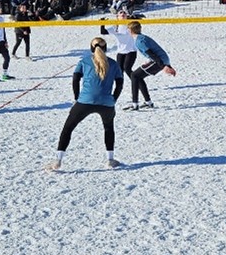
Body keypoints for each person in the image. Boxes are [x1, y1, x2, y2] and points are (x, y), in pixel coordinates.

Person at [48, 37, 126, 171]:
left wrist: (77, 97)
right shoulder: (113, 63)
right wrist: (114, 99)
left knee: (68, 128)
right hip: (106, 102)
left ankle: (58, 160)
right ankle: (110, 159)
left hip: (85, 101)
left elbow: (75, 78)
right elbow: (120, 82)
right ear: (106, 48)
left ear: (91, 48)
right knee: (108, 128)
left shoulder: (84, 61)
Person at [123, 21, 176, 109]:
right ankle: (148, 102)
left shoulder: (140, 41)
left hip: (158, 61)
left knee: (134, 75)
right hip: (160, 60)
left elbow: (152, 54)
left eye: (128, 28)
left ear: (131, 30)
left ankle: (135, 104)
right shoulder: (141, 37)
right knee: (137, 76)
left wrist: (164, 66)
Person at [101, 10, 138, 86]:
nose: (123, 14)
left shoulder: (130, 24)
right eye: (120, 13)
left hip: (131, 51)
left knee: (127, 68)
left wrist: (136, 17)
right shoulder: (116, 26)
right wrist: (102, 23)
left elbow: (138, 26)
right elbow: (103, 32)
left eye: (124, 13)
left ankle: (137, 83)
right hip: (121, 51)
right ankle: (119, 86)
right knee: (119, 71)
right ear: (117, 17)